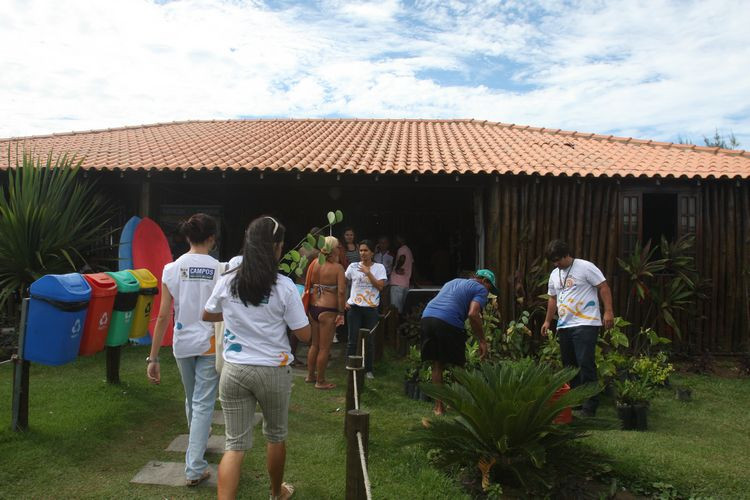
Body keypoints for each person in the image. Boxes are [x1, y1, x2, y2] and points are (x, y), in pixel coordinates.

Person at [203, 216, 311, 500]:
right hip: (273, 371)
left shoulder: (228, 281)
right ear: (275, 248)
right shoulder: (285, 286)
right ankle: (277, 493)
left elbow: (207, 313)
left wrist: (237, 315)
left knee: (234, 445)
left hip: (235, 370)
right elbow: (304, 335)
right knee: (275, 436)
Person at [147, 213, 221, 487]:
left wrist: (153, 357)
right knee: (202, 404)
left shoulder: (171, 269)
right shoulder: (220, 269)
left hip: (182, 343)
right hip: (209, 344)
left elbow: (164, 315)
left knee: (192, 400)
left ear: (188, 237)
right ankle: (194, 467)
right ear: (212, 238)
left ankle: (197, 446)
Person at [541, 239, 614, 418]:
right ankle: (575, 401)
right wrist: (547, 321)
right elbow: (552, 298)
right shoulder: (554, 274)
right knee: (569, 366)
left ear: (567, 254)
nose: (556, 264)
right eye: (553, 261)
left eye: (558, 259)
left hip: (586, 323)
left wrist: (608, 312)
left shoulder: (585, 267)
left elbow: (603, 287)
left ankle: (590, 406)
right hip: (565, 324)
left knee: (585, 363)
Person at [420, 269, 498, 416]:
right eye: (490, 288)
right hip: (448, 322)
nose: (488, 293)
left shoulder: (453, 281)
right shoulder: (480, 288)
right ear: (485, 281)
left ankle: (439, 408)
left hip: (427, 318)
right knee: (458, 366)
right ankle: (458, 406)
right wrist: (482, 340)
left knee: (437, 364)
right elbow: (473, 313)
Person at [305, 236, 346, 389]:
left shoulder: (314, 263)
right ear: (333, 248)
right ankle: (320, 381)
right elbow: (341, 292)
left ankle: (310, 375)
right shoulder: (338, 268)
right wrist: (341, 312)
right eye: (338, 246)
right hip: (328, 309)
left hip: (313, 307)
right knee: (324, 347)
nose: (340, 248)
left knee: (314, 344)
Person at [345, 239, 387, 379]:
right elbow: (344, 282)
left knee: (369, 340)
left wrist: (368, 273)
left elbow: (380, 286)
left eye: (366, 250)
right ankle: (350, 368)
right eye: (361, 250)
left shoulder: (379, 267)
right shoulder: (352, 266)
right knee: (352, 339)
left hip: (371, 308)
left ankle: (368, 369)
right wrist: (344, 300)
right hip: (355, 307)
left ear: (372, 252)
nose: (363, 253)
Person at [390, 234, 413, 314]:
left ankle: (395, 326)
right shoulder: (408, 250)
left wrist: (396, 268)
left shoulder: (402, 249)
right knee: (402, 310)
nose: (394, 242)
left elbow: (402, 258)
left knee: (395, 310)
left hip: (397, 284)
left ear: (401, 239)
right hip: (405, 283)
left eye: (396, 239)